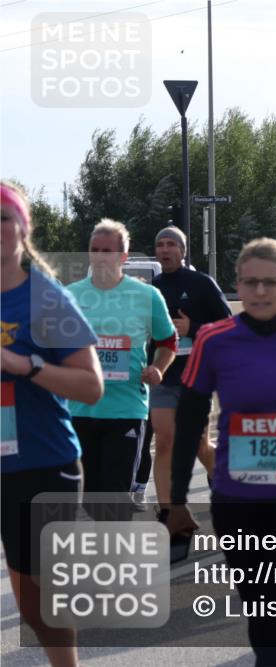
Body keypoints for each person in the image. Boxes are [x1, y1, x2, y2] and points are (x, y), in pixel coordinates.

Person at [168, 238, 276, 666]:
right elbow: (189, 420)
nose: (261, 291)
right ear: (238, 288)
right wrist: (175, 501)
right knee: (263, 611)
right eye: (251, 282)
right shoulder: (214, 339)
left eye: (271, 282)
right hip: (239, 498)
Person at [1, 182, 103, 667]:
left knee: (46, 594)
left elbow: (90, 386)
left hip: (45, 463)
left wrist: (26, 367)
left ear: (24, 229)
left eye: (5, 218)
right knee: (25, 594)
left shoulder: (46, 299)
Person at [67, 220, 177, 505]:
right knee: (90, 499)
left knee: (113, 497)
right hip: (80, 411)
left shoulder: (147, 296)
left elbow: (168, 342)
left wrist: (157, 368)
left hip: (125, 409)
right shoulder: (71, 296)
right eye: (95, 250)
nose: (100, 256)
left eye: (108, 250)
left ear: (123, 257)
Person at [150, 226, 232, 520]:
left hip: (195, 376)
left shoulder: (201, 284)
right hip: (162, 376)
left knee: (198, 444)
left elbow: (228, 327)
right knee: (164, 442)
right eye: (160, 245)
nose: (165, 250)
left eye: (171, 245)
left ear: (183, 252)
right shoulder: (152, 288)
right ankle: (168, 513)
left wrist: (193, 329)